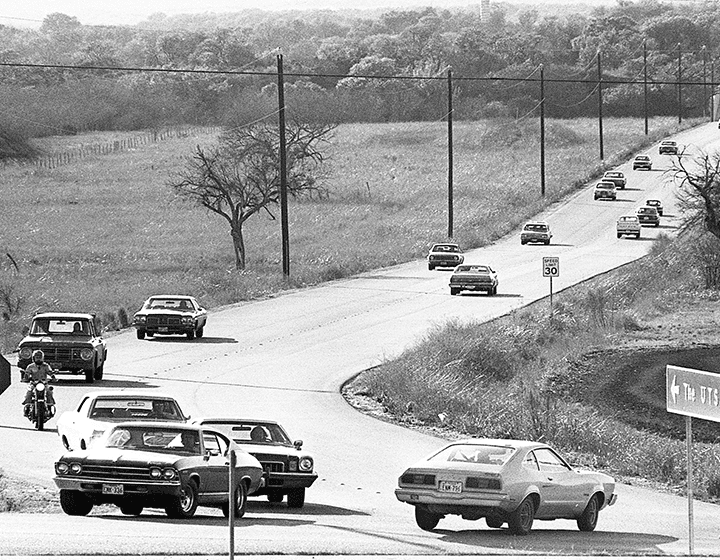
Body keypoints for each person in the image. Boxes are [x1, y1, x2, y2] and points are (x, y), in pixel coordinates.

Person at [22, 350, 57, 418]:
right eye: (37, 357)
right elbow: (27, 373)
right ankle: (27, 406)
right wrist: (25, 378)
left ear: (43, 358)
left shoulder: (46, 366)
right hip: (34, 383)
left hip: (44, 383)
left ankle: (50, 406)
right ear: (33, 358)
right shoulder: (30, 366)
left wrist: (53, 377)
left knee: (49, 392)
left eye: (40, 357)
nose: (38, 359)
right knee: (29, 392)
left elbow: (50, 372)